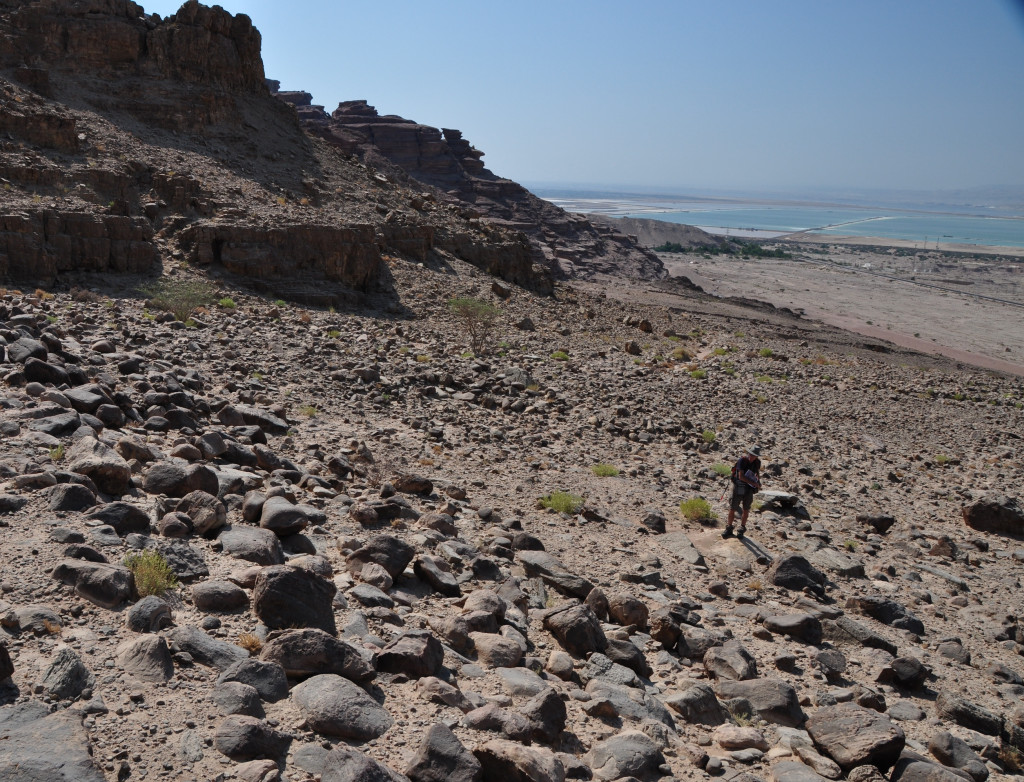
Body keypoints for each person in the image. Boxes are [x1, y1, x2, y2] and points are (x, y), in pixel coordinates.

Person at [723, 445, 761, 538]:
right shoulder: (742, 461)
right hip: (738, 486)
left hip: (749, 489)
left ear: (757, 456)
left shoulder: (757, 462)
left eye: (754, 455)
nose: (752, 456)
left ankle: (741, 529)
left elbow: (756, 474)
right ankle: (729, 528)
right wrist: (753, 483)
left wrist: (758, 483)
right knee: (733, 508)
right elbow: (741, 476)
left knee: (746, 509)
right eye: (751, 454)